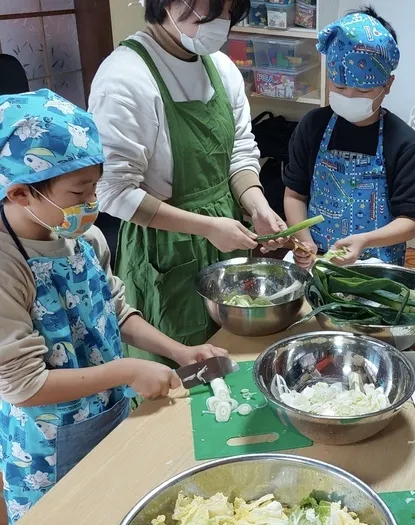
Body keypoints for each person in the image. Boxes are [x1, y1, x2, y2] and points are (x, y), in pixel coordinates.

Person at [0, 90, 228, 523]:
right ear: (20, 193)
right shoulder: (7, 266)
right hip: (47, 443)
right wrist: (127, 370)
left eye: (95, 185)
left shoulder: (84, 238)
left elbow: (115, 310)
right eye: (79, 190)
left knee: (115, 500)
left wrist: (179, 352)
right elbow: (23, 387)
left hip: (110, 409)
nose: (92, 202)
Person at [88, 0, 285, 363]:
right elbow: (113, 192)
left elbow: (240, 151)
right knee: (182, 369)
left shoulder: (221, 69)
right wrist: (206, 226)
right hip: (166, 250)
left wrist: (257, 206)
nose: (223, 24)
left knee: (235, 354)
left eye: (229, 13)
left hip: (224, 238)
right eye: (212, 11)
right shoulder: (124, 79)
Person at [282, 7, 415, 269]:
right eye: (339, 86)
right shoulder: (312, 126)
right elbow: (294, 195)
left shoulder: (403, 142)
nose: (348, 97)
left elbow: (410, 221)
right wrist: (305, 241)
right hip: (318, 262)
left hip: (377, 268)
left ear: (388, 84)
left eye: (363, 89)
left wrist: (366, 240)